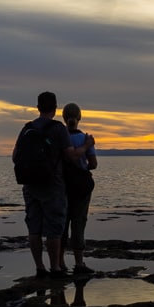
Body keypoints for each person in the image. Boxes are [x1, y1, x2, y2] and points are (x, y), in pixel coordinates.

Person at [13, 91, 93, 279]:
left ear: (38, 107)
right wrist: (87, 145)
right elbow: (72, 155)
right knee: (54, 227)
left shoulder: (27, 128)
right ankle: (55, 268)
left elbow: (15, 156)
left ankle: (40, 268)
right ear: (55, 108)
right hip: (53, 184)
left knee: (34, 227)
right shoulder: (58, 129)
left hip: (30, 184)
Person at [58, 102, 98, 274]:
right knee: (79, 223)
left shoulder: (59, 137)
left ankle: (59, 262)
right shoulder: (85, 139)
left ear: (64, 118)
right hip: (81, 187)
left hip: (62, 186)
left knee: (61, 224)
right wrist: (82, 166)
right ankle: (79, 263)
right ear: (79, 118)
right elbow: (94, 164)